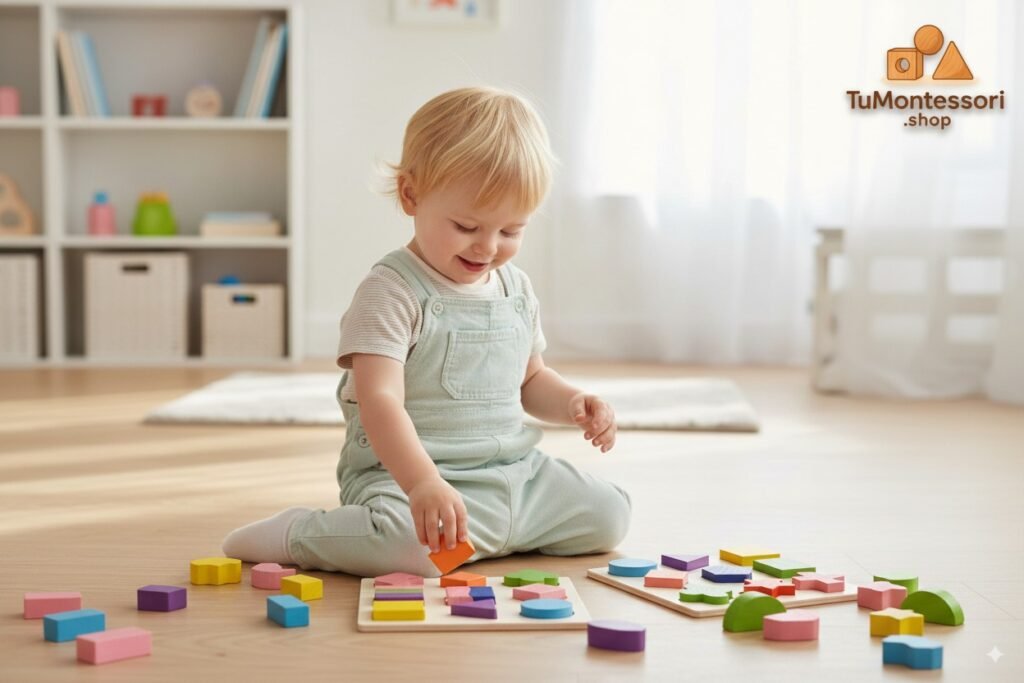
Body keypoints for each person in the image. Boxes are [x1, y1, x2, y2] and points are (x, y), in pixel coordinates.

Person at [222, 86, 631, 577]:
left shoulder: (515, 288)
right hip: (410, 478)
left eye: (510, 231)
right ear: (411, 195)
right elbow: (379, 400)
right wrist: (421, 484)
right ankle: (299, 533)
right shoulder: (390, 291)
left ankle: (487, 535)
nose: (488, 248)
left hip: (515, 474)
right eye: (467, 226)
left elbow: (530, 380)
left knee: (610, 515)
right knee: (408, 549)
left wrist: (573, 403)